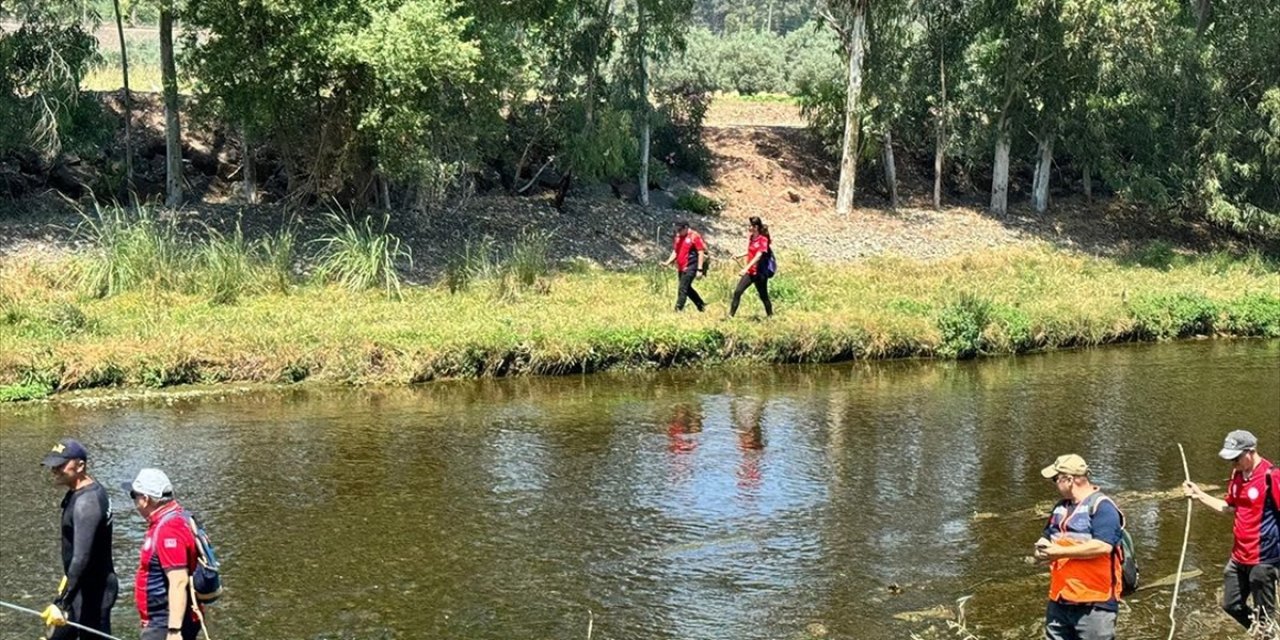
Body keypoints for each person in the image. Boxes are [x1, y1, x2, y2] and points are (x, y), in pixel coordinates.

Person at [1183, 429, 1279, 635]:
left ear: (1250, 452)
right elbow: (1229, 508)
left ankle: (1267, 634)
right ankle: (1261, 634)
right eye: (1230, 459)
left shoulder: (1272, 476)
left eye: (1236, 458)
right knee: (1231, 604)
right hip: (1239, 556)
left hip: (1263, 559)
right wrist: (1199, 494)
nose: (1232, 463)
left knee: (1266, 615)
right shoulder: (1237, 475)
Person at [1034, 454, 1123, 640]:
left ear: (1069, 480)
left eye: (1055, 479)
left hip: (1094, 604)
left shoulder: (1103, 507)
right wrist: (1041, 550)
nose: (1054, 484)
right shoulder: (1060, 508)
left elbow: (1103, 546)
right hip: (1060, 600)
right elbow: (1047, 536)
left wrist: (1059, 552)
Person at [38, 438, 119, 640]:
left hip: (94, 592)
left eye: (60, 465)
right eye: (52, 465)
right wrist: (68, 583)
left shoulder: (87, 503)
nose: (54, 470)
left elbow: (82, 557)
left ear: (80, 465)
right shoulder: (83, 491)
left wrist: (62, 602)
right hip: (79, 584)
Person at [123, 468, 205, 640]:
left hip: (165, 622)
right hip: (169, 620)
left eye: (134, 495)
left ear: (145, 499)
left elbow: (179, 580)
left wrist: (174, 631)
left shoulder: (169, 529)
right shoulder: (179, 517)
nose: (134, 501)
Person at [729, 216, 773, 318]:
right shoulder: (752, 237)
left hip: (760, 273)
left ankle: (770, 316)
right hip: (751, 273)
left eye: (750, 226)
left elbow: (758, 255)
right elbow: (750, 251)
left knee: (763, 296)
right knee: (737, 292)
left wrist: (746, 268)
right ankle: (731, 316)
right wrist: (739, 255)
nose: (748, 227)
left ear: (756, 227)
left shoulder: (763, 240)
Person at [663, 220, 706, 312]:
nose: (678, 232)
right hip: (681, 267)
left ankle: (678, 309)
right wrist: (668, 262)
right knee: (687, 288)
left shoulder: (694, 236)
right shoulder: (678, 237)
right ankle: (701, 305)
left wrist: (700, 269)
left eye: (680, 230)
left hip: (691, 266)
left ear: (686, 228)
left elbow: (701, 252)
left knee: (682, 288)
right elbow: (676, 251)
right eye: (677, 230)